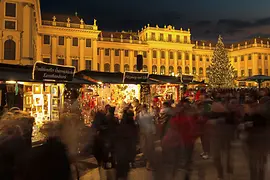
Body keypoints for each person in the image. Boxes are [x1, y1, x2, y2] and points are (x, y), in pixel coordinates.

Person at [114, 108, 137, 180]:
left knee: (120, 172)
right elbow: (134, 142)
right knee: (124, 172)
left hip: (121, 152)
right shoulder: (133, 127)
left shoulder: (121, 126)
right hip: (126, 152)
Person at [137, 104, 156, 170]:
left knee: (145, 147)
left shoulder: (140, 114)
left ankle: (147, 162)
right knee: (150, 147)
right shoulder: (147, 115)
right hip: (148, 132)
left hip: (143, 132)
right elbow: (152, 117)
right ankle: (148, 163)